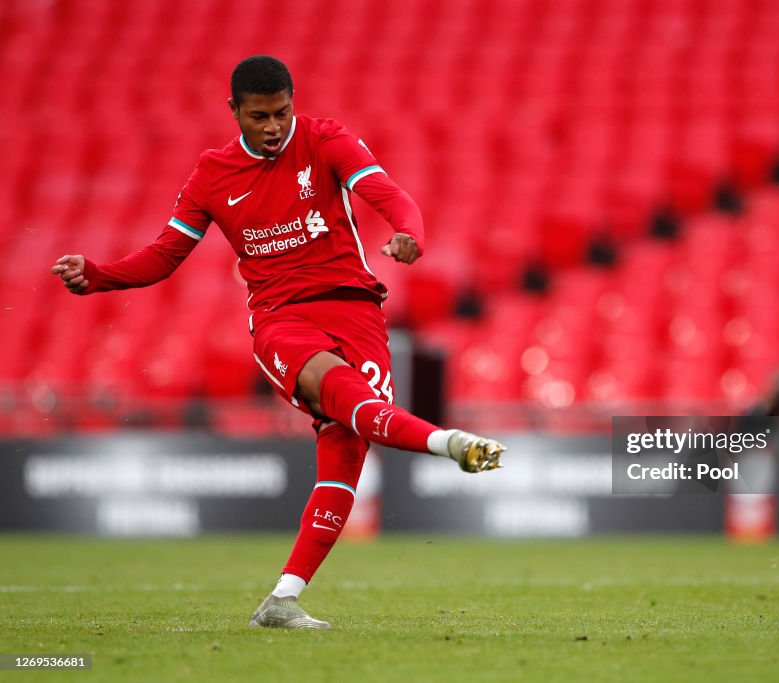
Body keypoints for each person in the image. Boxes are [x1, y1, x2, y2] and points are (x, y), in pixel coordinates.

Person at [50, 55, 506, 630]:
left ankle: (282, 600)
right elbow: (164, 256)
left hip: (357, 309)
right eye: (259, 116)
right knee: (338, 391)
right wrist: (97, 275)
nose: (273, 127)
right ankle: (447, 443)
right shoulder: (212, 174)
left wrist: (410, 232)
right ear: (234, 112)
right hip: (281, 317)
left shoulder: (325, 139)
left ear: (295, 102)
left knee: (347, 446)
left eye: (282, 112)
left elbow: (389, 194)